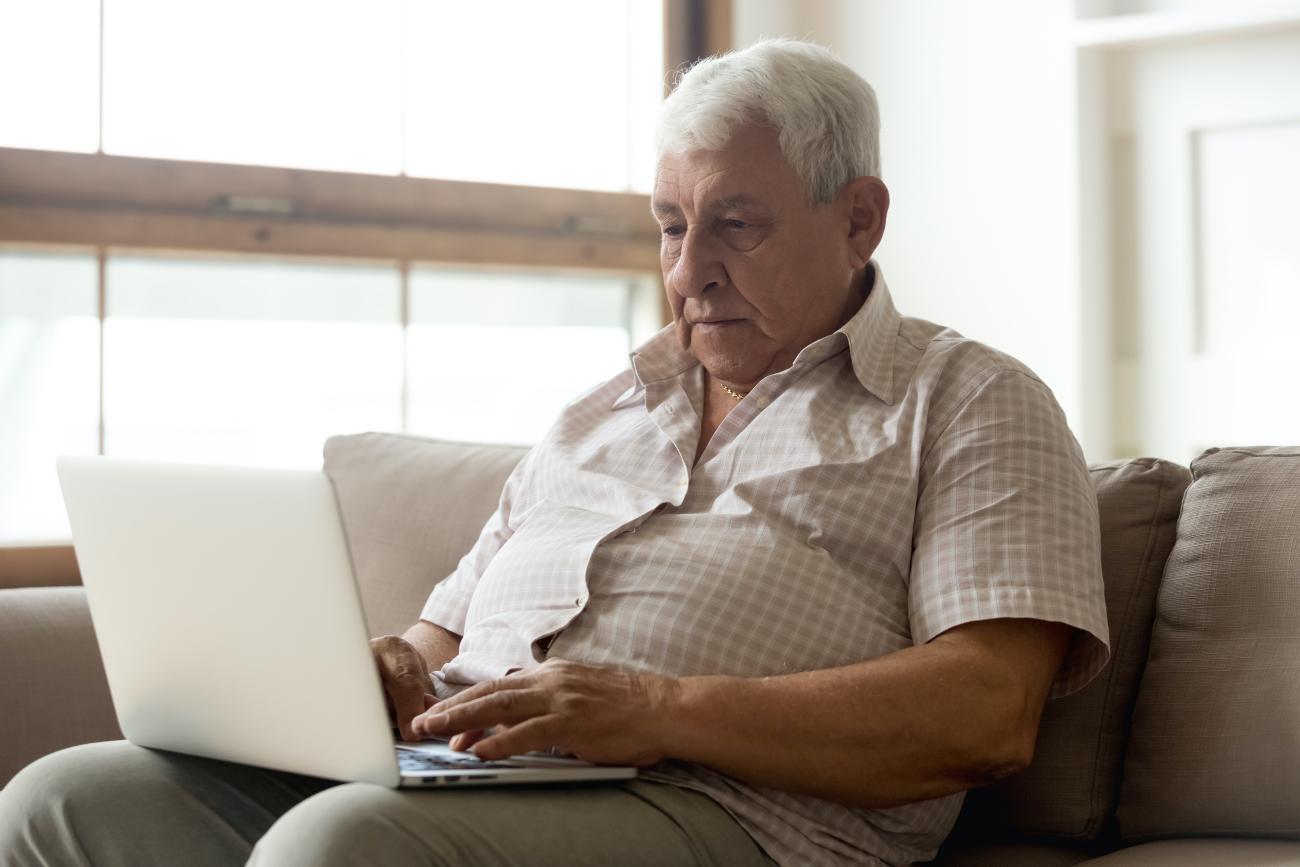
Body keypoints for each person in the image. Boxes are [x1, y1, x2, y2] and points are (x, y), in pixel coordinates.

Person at [0, 38, 1108, 867]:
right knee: (64, 801)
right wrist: (392, 667)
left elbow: (985, 712)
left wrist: (657, 709)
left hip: (733, 813)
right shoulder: (601, 411)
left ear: (859, 219)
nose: (688, 272)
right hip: (474, 781)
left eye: (737, 224)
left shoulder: (968, 401)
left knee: (340, 847)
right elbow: (444, 633)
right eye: (672, 226)